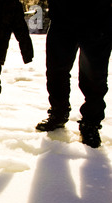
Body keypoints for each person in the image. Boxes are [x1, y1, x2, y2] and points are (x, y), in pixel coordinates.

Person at [35, 0, 111, 149]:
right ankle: (58, 113)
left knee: (95, 75)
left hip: (98, 20)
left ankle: (90, 124)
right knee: (55, 71)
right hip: (61, 20)